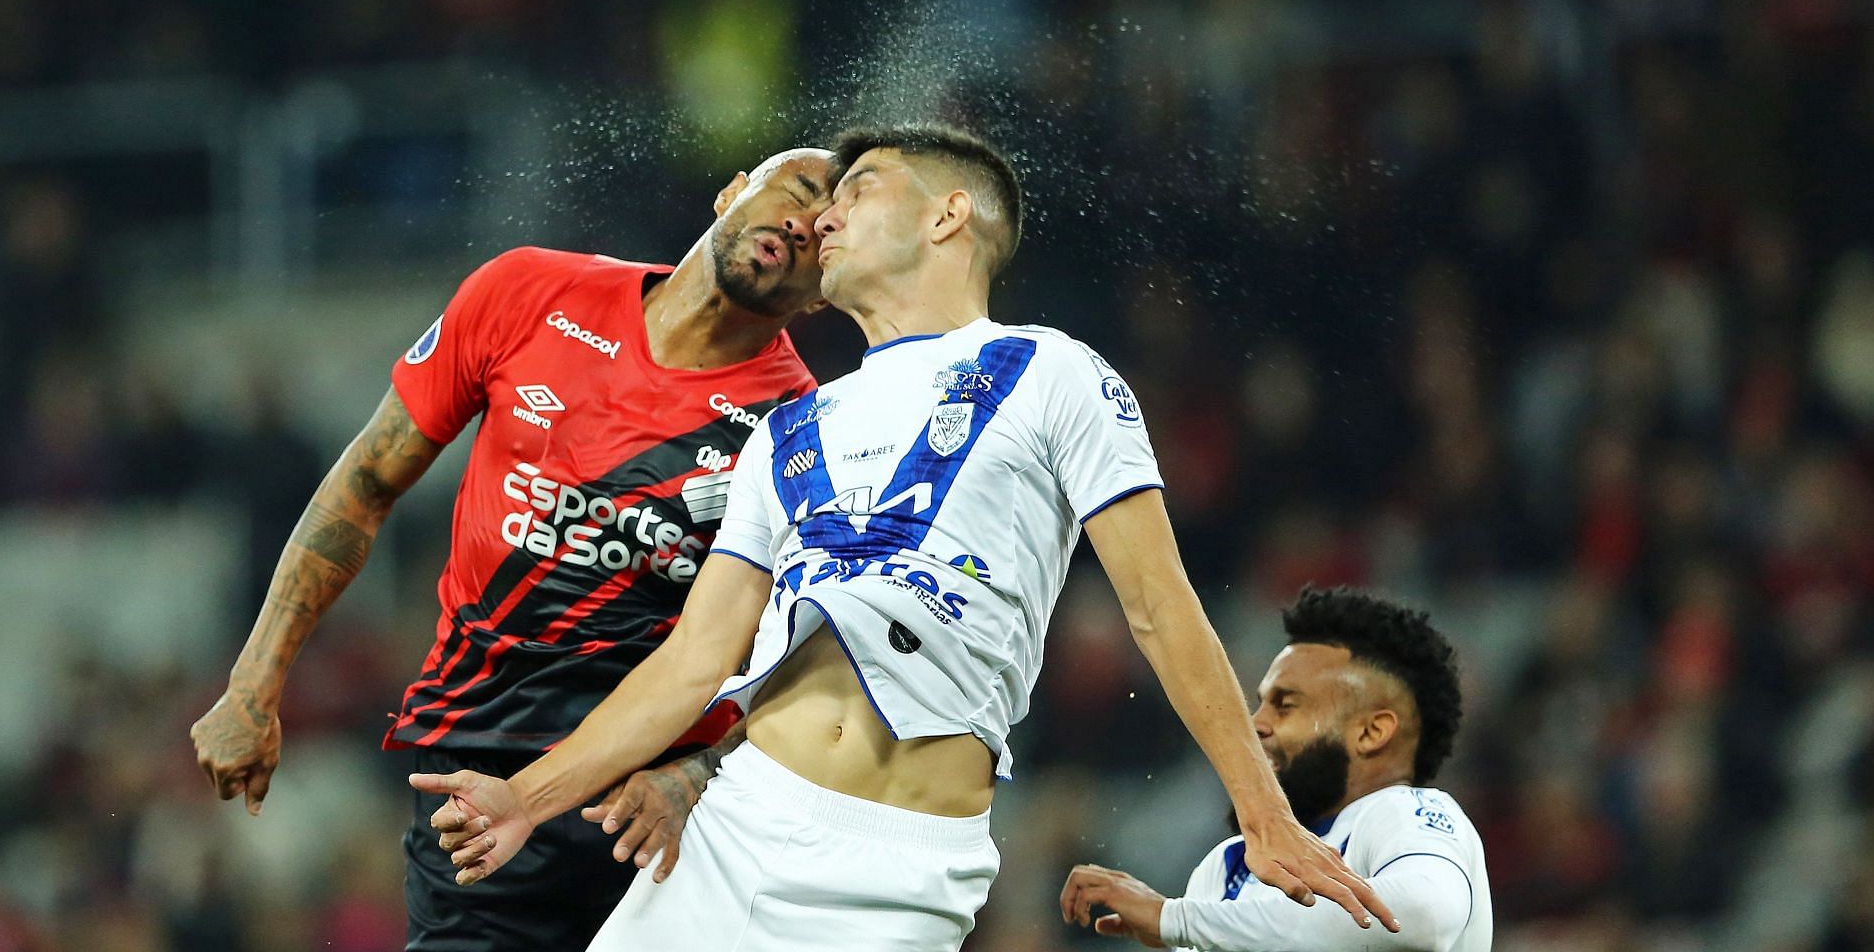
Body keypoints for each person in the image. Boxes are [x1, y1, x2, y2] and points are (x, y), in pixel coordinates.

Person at [417, 123, 1394, 951]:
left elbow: (1157, 604)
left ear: (947, 216)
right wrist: (527, 796)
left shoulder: (1051, 371)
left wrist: (1263, 811)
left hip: (903, 861)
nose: (822, 216)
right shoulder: (786, 429)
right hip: (738, 825)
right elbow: (689, 664)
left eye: (858, 188)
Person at [188, 147, 835, 952]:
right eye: (800, 191)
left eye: (825, 233)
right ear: (734, 190)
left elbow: (796, 650)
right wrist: (254, 682)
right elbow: (366, 481)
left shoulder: (804, 431)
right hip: (472, 767)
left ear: (824, 292)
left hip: (644, 808)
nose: (802, 224)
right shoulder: (528, 290)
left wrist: (696, 772)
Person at [1060, 585, 1491, 951]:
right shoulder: (1226, 866)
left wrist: (1175, 919)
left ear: (1371, 732)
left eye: (1286, 705)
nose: (1254, 724)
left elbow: (1423, 915)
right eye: (1260, 702)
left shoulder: (1405, 814)